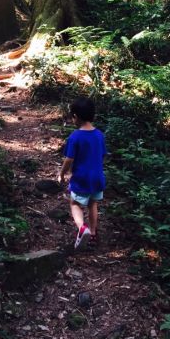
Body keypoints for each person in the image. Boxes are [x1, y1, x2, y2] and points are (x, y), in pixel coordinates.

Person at [58, 97, 107, 250]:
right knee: (93, 204)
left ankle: (82, 228)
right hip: (98, 178)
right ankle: (92, 234)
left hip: (81, 178)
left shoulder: (75, 136)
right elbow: (102, 155)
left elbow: (69, 159)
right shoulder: (99, 135)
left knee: (74, 203)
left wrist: (62, 173)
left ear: (76, 117)